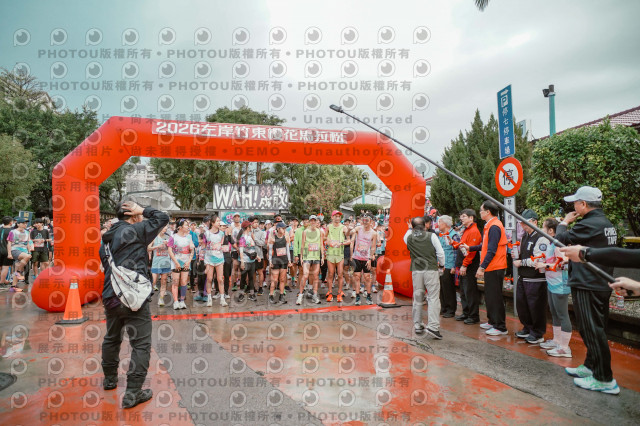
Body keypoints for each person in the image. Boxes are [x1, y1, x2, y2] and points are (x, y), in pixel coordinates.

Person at [99, 201, 169, 409]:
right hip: (133, 297)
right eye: (138, 213)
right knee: (141, 344)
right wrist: (143, 210)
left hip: (111, 294)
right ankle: (132, 392)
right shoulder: (136, 230)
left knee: (112, 338)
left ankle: (110, 380)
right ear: (134, 215)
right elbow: (162, 217)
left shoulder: (106, 239)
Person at [554, 186, 619, 394]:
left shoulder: (589, 224)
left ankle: (604, 378)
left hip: (588, 283)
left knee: (591, 329)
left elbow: (561, 239)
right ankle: (591, 366)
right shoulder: (605, 223)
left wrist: (564, 222)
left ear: (583, 204)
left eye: (575, 202)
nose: (573, 206)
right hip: (599, 282)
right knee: (595, 328)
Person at [461, 200, 508, 336]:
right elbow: (486, 246)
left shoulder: (494, 226)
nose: (480, 213)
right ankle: (492, 321)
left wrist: (482, 267)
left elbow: (492, 250)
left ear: (488, 212)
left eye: (481, 210)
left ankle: (500, 326)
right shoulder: (490, 226)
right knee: (490, 296)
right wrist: (471, 248)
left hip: (495, 266)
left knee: (495, 297)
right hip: (491, 266)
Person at [512, 209, 550, 344]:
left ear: (535, 222)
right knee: (522, 305)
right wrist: (517, 255)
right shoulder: (525, 236)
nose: (523, 226)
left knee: (536, 306)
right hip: (523, 276)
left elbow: (539, 259)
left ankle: (537, 332)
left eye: (525, 223)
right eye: (521, 223)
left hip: (536, 278)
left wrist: (521, 262)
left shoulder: (541, 237)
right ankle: (527, 327)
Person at [404, 216, 445, 339]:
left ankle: (418, 325)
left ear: (412, 226)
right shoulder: (431, 236)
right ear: (425, 225)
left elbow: (407, 235)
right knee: (433, 298)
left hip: (416, 270)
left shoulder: (408, 237)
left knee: (417, 298)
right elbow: (440, 252)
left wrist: (409, 229)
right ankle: (433, 326)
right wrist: (442, 265)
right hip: (430, 269)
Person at [537, 218, 572, 357]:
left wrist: (544, 265)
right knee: (554, 312)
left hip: (560, 284)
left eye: (543, 227)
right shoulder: (551, 243)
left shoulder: (558, 244)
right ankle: (557, 341)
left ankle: (564, 348)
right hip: (552, 282)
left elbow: (565, 263)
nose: (541, 229)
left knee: (562, 314)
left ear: (551, 230)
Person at [455, 209, 482, 324]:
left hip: (470, 265)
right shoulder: (466, 230)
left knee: (470, 290)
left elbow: (471, 251)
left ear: (471, 218)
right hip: (464, 263)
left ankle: (473, 315)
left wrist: (465, 265)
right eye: (461, 216)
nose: (461, 218)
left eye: (464, 216)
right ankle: (466, 312)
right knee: (463, 290)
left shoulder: (474, 231)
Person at [350, 214, 378, 305]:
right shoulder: (359, 228)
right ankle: (357, 296)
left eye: (367, 220)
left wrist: (370, 259)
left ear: (371, 222)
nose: (365, 222)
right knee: (357, 277)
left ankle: (369, 296)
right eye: (364, 220)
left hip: (366, 258)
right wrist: (351, 229)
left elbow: (373, 247)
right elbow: (352, 231)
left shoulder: (373, 233)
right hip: (357, 257)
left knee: (367, 277)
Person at [167, 219, 195, 310]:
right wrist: (176, 262)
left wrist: (189, 261)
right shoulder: (173, 237)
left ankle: (182, 301)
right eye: (186, 225)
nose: (188, 227)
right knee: (175, 282)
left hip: (186, 263)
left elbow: (192, 250)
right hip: (176, 262)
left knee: (184, 282)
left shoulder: (189, 237)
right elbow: (170, 250)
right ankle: (175, 302)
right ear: (180, 227)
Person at [298, 215, 325, 305]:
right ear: (309, 222)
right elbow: (302, 244)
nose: (313, 222)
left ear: (316, 222)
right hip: (307, 256)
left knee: (316, 276)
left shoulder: (320, 232)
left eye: (314, 220)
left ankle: (315, 295)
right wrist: (301, 257)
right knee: (305, 275)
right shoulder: (305, 232)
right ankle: (300, 295)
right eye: (311, 221)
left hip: (316, 257)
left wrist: (322, 256)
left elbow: (321, 244)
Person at [203, 215, 228, 307]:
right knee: (209, 279)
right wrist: (203, 260)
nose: (219, 223)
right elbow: (203, 247)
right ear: (212, 223)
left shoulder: (222, 234)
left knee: (220, 279)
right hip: (209, 259)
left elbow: (223, 245)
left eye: (219, 221)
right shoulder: (206, 233)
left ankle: (222, 299)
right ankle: (209, 298)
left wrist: (222, 247)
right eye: (217, 221)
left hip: (219, 258)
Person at [437, 215, 460, 318]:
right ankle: (444, 308)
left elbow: (457, 251)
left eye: (440, 222)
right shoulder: (441, 235)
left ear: (445, 224)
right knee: (442, 287)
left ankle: (451, 309)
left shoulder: (454, 235)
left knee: (448, 288)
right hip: (441, 265)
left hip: (449, 265)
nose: (438, 225)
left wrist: (454, 266)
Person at [325, 211, 349, 303]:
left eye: (339, 216)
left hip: (339, 254)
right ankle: (330, 292)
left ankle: (339, 292)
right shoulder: (328, 227)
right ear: (332, 217)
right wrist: (328, 242)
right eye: (335, 216)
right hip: (330, 254)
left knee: (340, 274)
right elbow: (324, 238)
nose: (337, 218)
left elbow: (349, 240)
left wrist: (341, 243)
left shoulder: (344, 227)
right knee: (331, 274)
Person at [268, 221, 292, 304]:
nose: (284, 230)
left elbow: (288, 250)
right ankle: (271, 295)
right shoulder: (273, 238)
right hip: (275, 260)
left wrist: (289, 260)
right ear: (278, 229)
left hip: (284, 260)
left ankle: (281, 296)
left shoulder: (286, 237)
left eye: (285, 228)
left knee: (282, 279)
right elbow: (270, 251)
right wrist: (270, 261)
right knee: (274, 280)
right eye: (283, 228)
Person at [6, 218, 32, 292]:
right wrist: (9, 253)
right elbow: (9, 243)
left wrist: (29, 252)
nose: (25, 224)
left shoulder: (27, 232)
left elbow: (28, 243)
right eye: (23, 223)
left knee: (18, 267)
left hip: (24, 251)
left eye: (26, 223)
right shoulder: (13, 232)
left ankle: (13, 286)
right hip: (15, 250)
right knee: (25, 258)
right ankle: (18, 273)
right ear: (18, 224)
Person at [148, 225, 171, 307]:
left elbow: (173, 249)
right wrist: (157, 246)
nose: (165, 230)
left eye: (166, 229)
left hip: (166, 262)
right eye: (163, 229)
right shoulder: (154, 237)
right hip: (156, 263)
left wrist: (168, 245)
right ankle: (147, 296)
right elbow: (148, 248)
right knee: (153, 281)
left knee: (164, 281)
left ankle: (161, 299)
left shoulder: (168, 238)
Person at [237, 220, 258, 302]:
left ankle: (252, 294)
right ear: (247, 227)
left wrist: (257, 257)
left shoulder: (250, 236)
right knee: (243, 278)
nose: (251, 227)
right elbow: (241, 251)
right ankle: (241, 294)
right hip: (245, 261)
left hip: (252, 261)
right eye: (250, 226)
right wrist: (242, 262)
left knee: (251, 278)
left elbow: (252, 249)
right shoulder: (242, 237)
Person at [251, 217, 267, 295]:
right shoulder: (248, 231)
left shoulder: (261, 232)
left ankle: (260, 287)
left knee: (260, 271)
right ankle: (254, 287)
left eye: (257, 222)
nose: (256, 224)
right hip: (250, 255)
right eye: (254, 222)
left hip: (259, 255)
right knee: (252, 272)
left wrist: (254, 239)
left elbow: (262, 243)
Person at [0, 216, 15, 289]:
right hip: (7, 250)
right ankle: (1, 283)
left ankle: (3, 280)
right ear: (11, 222)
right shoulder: (12, 231)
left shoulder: (0, 229)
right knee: (5, 267)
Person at [230, 213, 242, 291]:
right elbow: (230, 239)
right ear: (233, 218)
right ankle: (234, 284)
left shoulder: (242, 227)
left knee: (241, 267)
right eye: (235, 217)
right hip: (234, 249)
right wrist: (236, 248)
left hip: (243, 249)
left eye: (238, 216)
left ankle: (241, 282)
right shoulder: (231, 227)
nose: (237, 218)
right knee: (235, 266)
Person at [287, 217, 299, 292]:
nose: (294, 222)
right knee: (291, 264)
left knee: (295, 264)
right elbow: (287, 238)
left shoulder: (299, 229)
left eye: (296, 221)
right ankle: (292, 278)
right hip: (290, 248)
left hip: (297, 248)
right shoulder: (288, 229)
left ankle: (294, 277)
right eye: (293, 221)